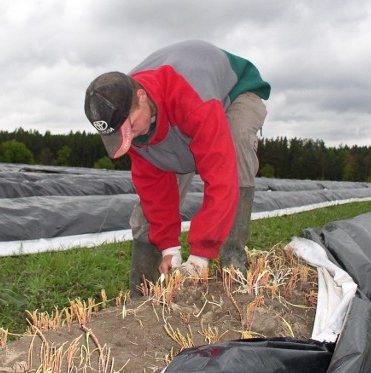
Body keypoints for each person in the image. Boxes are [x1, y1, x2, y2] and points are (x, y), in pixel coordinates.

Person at [84, 40, 270, 296]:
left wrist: (200, 254)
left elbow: (220, 177)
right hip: (175, 116)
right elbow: (154, 191)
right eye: (119, 133)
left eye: (130, 126)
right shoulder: (127, 114)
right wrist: (169, 247)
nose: (130, 135)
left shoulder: (191, 99)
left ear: (141, 97)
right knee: (149, 206)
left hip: (233, 93)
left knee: (234, 150)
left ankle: (232, 271)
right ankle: (144, 295)